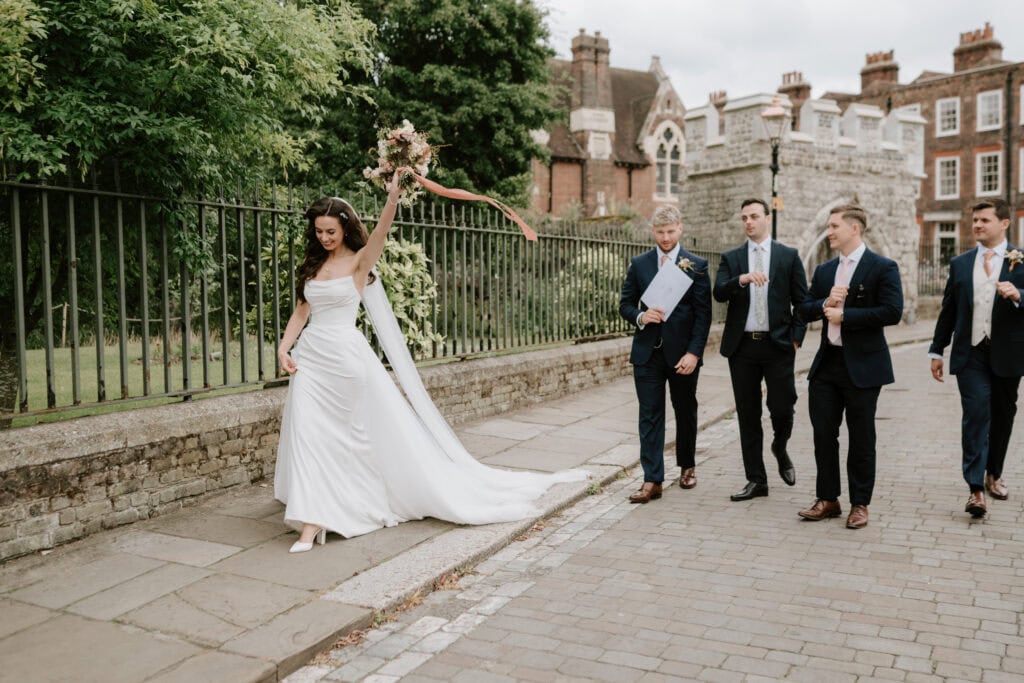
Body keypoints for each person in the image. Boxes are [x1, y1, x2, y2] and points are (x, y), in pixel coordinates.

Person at [274, 174, 586, 553]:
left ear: (344, 229)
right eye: (319, 231)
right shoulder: (312, 266)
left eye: (331, 231)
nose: (324, 238)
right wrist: (284, 348)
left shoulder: (360, 261)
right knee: (309, 435)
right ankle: (312, 521)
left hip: (345, 361)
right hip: (311, 361)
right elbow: (301, 312)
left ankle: (334, 509)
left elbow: (381, 235)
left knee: (344, 438)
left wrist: (392, 198)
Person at [796, 205, 903, 529]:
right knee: (823, 434)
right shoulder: (826, 271)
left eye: (834, 226)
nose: (829, 232)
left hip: (864, 366)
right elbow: (804, 309)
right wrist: (825, 303)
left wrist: (847, 317)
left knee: (861, 437)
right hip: (827, 365)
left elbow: (892, 311)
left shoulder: (882, 267)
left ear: (854, 229)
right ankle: (828, 499)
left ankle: (860, 503)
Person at [929, 199, 1024, 518]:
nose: (978, 226)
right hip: (970, 353)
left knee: (1002, 414)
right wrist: (936, 350)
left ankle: (993, 473)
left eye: (984, 220)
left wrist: (1019, 295)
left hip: (1009, 353)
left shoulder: (1021, 261)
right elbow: (949, 310)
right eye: (975, 221)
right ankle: (975, 489)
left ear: (1004, 224)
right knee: (976, 412)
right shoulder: (960, 263)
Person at [714, 198, 808, 502]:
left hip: (778, 345)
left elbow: (802, 302)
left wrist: (796, 337)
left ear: (767, 218)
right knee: (748, 414)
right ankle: (756, 479)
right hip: (742, 347)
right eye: (744, 218)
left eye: (754, 216)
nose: (749, 222)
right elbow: (718, 292)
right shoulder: (732, 258)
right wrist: (740, 280)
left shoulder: (788, 256)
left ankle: (780, 446)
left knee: (783, 406)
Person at [619, 205, 712, 503]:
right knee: (649, 416)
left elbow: (703, 316)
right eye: (660, 233)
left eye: (671, 232)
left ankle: (687, 466)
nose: (666, 238)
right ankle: (652, 480)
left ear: (680, 229)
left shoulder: (695, 265)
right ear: (653, 232)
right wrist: (641, 317)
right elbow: (625, 304)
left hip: (682, 355)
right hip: (647, 354)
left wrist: (694, 354)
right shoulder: (640, 264)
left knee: (685, 411)